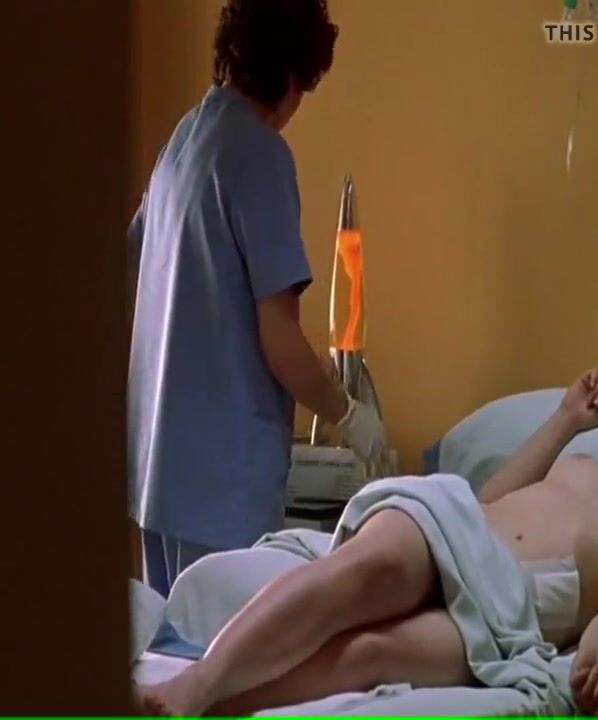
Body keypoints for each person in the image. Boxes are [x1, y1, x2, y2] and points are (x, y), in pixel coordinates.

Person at [137, 369, 598, 716]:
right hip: (460, 527)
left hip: (523, 605)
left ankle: (198, 709)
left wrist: (596, 657)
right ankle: (193, 686)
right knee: (357, 576)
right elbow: (488, 498)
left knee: (370, 653)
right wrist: (566, 420)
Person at [128, 0, 389, 598]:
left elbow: (135, 261)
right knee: (227, 650)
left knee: (169, 645)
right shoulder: (260, 156)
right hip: (220, 488)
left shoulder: (186, 138)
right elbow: (280, 342)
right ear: (292, 79)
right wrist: (350, 415)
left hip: (157, 471)